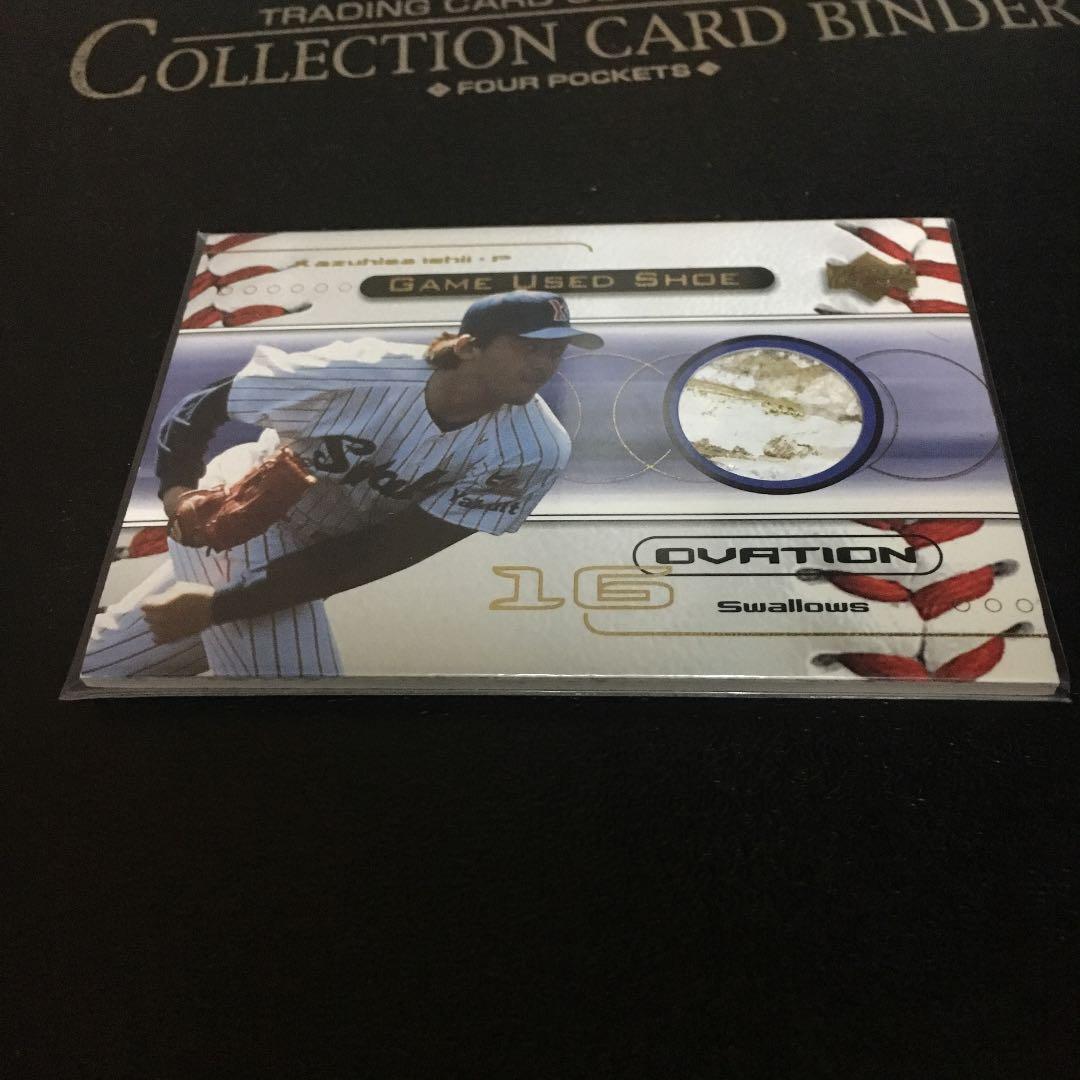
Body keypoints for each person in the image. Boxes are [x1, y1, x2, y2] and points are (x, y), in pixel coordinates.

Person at [81, 291, 602, 679]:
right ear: (468, 347)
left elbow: (382, 551)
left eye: (555, 352)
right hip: (240, 512)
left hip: (324, 549)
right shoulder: (364, 370)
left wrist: (218, 608)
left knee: (105, 667)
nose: (544, 363)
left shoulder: (533, 449)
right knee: (298, 689)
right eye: (527, 347)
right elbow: (201, 407)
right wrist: (179, 497)